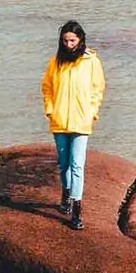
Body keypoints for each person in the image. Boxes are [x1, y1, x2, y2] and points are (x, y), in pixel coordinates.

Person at [41, 18, 105, 229]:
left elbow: (98, 90)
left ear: (80, 40)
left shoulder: (91, 62)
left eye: (72, 40)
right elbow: (47, 87)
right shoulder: (55, 62)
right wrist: (50, 110)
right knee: (63, 163)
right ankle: (66, 192)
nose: (69, 45)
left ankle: (77, 208)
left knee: (77, 164)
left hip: (81, 121)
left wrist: (92, 113)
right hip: (59, 120)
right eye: (65, 41)